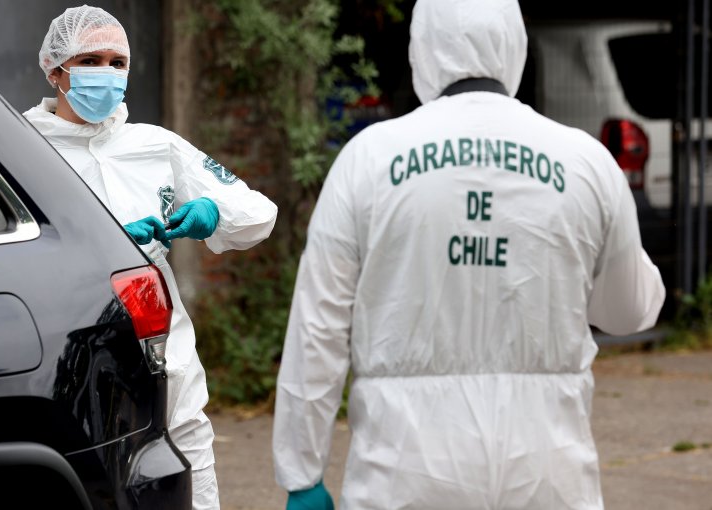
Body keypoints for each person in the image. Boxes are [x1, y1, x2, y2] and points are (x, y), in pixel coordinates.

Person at [271, 0, 665, 508]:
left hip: (404, 475)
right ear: (514, 44)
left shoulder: (369, 158)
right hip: (546, 474)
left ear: (422, 49)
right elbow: (627, 311)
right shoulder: (586, 162)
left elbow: (317, 328)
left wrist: (302, 472)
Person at [24, 6, 278, 509]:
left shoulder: (155, 146)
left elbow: (258, 213)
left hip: (169, 360)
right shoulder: (23, 149)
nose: (107, 73)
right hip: (71, 363)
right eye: (90, 60)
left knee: (192, 491)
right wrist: (101, 244)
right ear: (55, 70)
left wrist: (213, 211)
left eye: (118, 62)